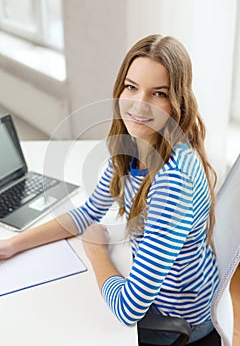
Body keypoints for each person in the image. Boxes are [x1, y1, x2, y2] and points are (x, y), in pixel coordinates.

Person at [0, 34, 219, 344]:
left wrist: (96, 250)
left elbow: (128, 309)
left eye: (158, 93)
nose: (139, 105)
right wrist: (14, 245)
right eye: (131, 87)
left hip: (177, 318)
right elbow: (88, 213)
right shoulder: (135, 148)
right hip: (159, 290)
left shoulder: (173, 181)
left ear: (177, 102)